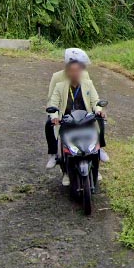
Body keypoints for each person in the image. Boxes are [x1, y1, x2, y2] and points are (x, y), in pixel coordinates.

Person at [45, 48, 108, 185]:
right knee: (49, 126)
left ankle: (99, 152)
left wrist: (98, 110)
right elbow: (52, 100)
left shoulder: (85, 77)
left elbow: (94, 98)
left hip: (84, 115)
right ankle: (55, 156)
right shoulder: (58, 79)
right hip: (66, 117)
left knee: (99, 123)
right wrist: (54, 115)